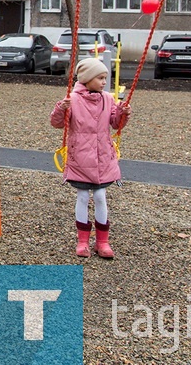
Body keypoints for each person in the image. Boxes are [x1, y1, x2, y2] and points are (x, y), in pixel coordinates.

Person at [50, 57, 131, 259]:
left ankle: (103, 242)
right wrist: (61, 108)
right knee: (83, 196)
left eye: (105, 78)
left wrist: (123, 112)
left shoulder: (107, 98)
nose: (104, 82)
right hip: (80, 156)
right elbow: (57, 123)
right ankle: (83, 241)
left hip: (103, 155)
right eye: (101, 78)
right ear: (87, 79)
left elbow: (115, 123)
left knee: (101, 197)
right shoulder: (73, 99)